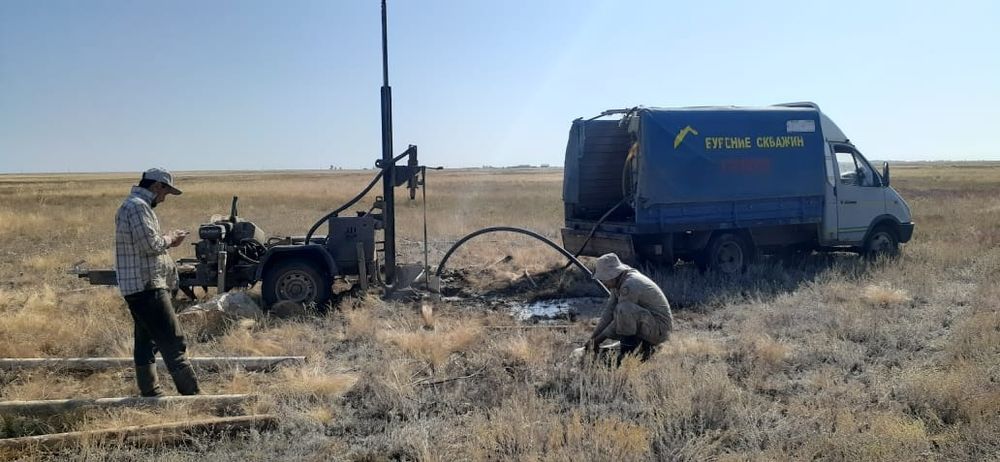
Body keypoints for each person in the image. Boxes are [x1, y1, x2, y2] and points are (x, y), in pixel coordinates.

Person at [115, 168, 200, 396]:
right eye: (165, 193)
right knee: (174, 341)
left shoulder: (134, 206)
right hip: (147, 286)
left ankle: (151, 393)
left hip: (140, 286)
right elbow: (150, 246)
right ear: (156, 187)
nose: (163, 199)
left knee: (145, 341)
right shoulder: (137, 207)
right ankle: (192, 395)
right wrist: (172, 238)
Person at [586, 253, 673, 364]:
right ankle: (639, 348)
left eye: (604, 279)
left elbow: (620, 319)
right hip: (650, 324)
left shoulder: (630, 284)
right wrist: (592, 339)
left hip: (660, 330)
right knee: (620, 311)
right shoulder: (618, 282)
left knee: (623, 309)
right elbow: (609, 312)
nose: (603, 282)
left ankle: (627, 356)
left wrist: (598, 340)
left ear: (612, 275)